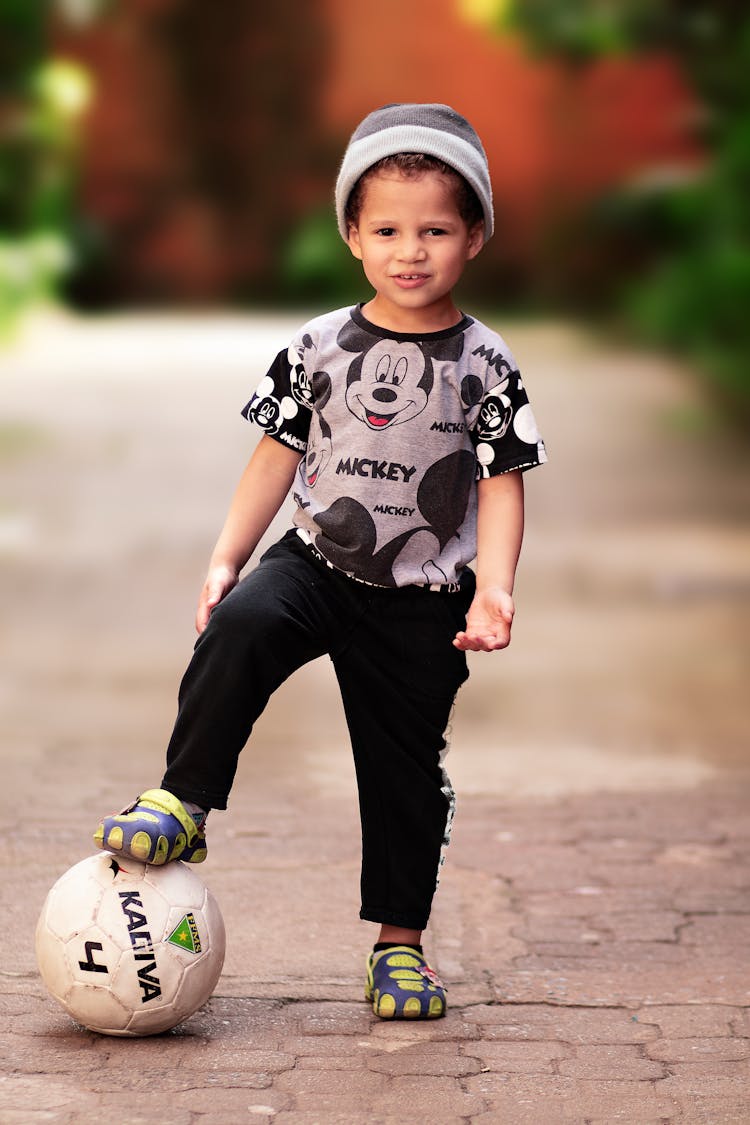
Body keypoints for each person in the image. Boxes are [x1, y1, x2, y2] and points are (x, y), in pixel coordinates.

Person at [94, 103, 547, 1020]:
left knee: (403, 771)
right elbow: (274, 457)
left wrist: (494, 587)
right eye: (386, 229)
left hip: (422, 598)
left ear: (475, 238)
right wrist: (227, 558)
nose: (409, 250)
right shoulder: (316, 346)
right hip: (314, 560)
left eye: (435, 230)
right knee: (243, 626)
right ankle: (184, 800)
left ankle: (399, 947)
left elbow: (502, 483)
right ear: (351, 234)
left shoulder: (485, 361)